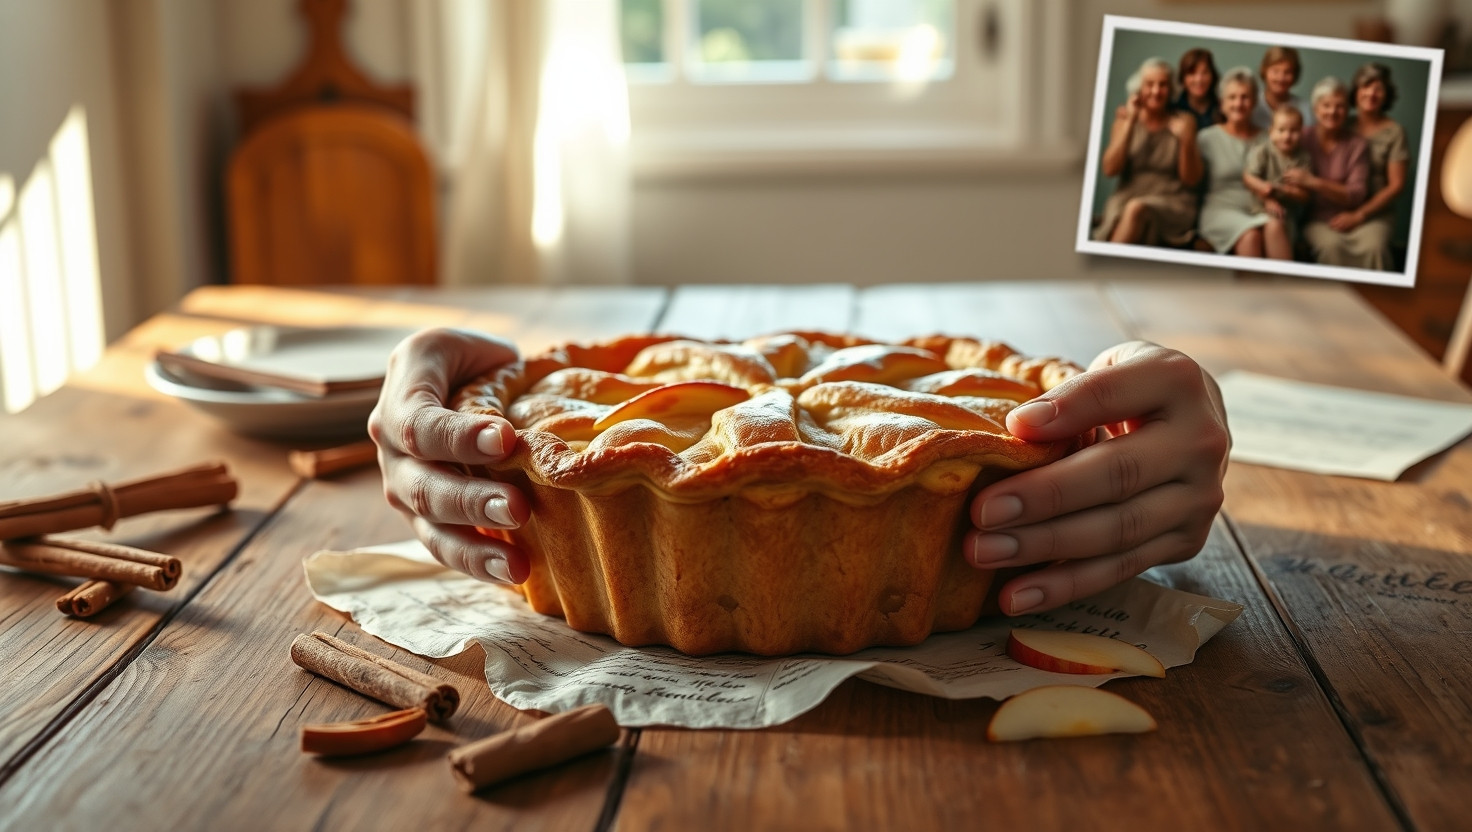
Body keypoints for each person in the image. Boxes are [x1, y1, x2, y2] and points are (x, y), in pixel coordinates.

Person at [369, 329, 1231, 617]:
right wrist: (473, 385)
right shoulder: (552, 414)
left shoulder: (1007, 412)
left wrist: (1127, 409)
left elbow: (1097, 411)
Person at [1094, 58, 1203, 247]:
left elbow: (1190, 179)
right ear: (1138, 89)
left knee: (1136, 209)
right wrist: (1130, 122)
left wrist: (1185, 140)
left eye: (1162, 85)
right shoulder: (1123, 121)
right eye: (1149, 84)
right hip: (1127, 197)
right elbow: (1110, 170)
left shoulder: (1186, 121)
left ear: (1171, 90)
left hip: (1173, 200)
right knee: (1131, 211)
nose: (1155, 91)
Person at [1194, 66, 1281, 258]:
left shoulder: (1269, 139)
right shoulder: (1206, 138)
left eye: (1245, 97)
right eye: (1232, 97)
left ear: (1255, 102)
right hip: (1220, 210)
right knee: (1250, 236)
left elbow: (1278, 179)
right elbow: (1192, 182)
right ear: (1222, 103)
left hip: (1260, 208)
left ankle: (1286, 287)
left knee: (1275, 226)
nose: (1238, 103)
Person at [1289, 77, 1373, 268]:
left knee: (1373, 248)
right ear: (1316, 109)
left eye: (1340, 106)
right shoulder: (1300, 137)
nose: (1333, 112)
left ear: (1347, 110)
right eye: (1326, 105)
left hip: (1352, 216)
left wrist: (1314, 182)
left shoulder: (1357, 144)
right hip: (1314, 219)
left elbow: (1357, 194)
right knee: (1331, 246)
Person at [1336, 62, 1409, 271]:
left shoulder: (1395, 132)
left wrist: (1360, 215)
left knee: (1373, 248)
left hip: (1376, 214)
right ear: (1356, 91)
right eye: (1365, 86)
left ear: (1387, 95)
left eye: (1378, 88)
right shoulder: (1342, 124)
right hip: (1340, 206)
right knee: (1329, 246)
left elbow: (1397, 185)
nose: (1371, 93)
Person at [1242, 106, 1313, 260]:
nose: (1287, 136)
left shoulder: (1303, 158)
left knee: (1279, 225)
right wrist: (1267, 192)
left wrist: (1287, 191)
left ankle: (1281, 276)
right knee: (1270, 226)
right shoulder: (1263, 151)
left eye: (1293, 131)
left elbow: (1305, 196)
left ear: (1302, 133)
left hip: (1288, 212)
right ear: (1271, 131)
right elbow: (1248, 177)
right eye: (1281, 130)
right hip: (1258, 206)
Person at [1252, 46, 1314, 131]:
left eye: (1287, 72)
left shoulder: (1305, 110)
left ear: (1295, 75)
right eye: (1275, 71)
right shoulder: (1251, 105)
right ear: (1264, 71)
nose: (1281, 78)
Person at [1174, 48, 1223, 130]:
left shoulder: (1223, 109)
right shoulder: (1173, 110)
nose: (1199, 79)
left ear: (1213, 76)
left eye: (1204, 72)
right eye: (1192, 73)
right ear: (1183, 78)